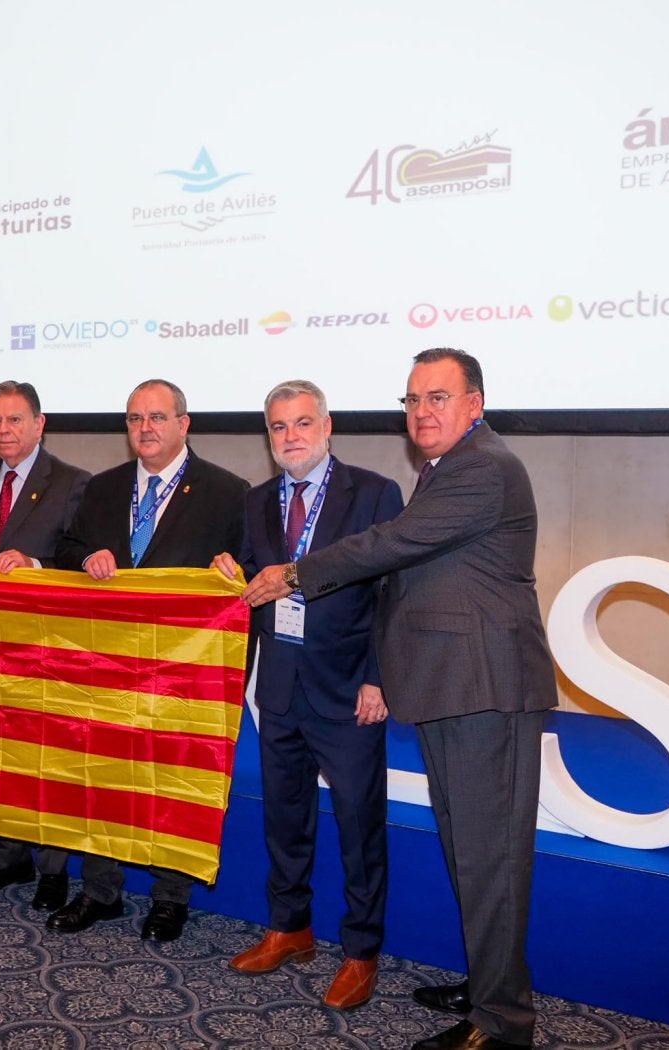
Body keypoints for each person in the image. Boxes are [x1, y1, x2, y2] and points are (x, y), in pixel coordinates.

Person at [243, 349, 556, 1050]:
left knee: (491, 858)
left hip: (485, 685)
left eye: (438, 398)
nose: (422, 412)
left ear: (475, 402)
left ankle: (503, 1023)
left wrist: (296, 572)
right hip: (453, 683)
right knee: (472, 851)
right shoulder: (449, 468)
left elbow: (395, 543)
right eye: (412, 400)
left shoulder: (484, 468)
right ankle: (490, 986)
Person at [213, 380, 403, 1011]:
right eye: (277, 427)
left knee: (358, 825)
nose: (290, 437)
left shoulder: (375, 493)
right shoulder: (258, 499)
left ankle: (360, 952)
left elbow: (391, 595)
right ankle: (289, 927)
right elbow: (248, 575)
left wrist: (380, 677)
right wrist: (226, 572)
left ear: (327, 427)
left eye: (301, 424)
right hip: (281, 688)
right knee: (284, 819)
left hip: (351, 690)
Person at [51, 378, 247, 942]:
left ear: (184, 424)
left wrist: (230, 570)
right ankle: (100, 891)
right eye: (136, 418)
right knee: (104, 774)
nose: (146, 428)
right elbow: (65, 548)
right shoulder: (105, 487)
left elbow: (249, 568)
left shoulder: (227, 491)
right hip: (107, 666)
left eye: (158, 417)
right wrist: (88, 555)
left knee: (172, 781)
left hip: (180, 672)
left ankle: (169, 898)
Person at [0, 380, 91, 913]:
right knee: (1, 754)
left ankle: (52, 871)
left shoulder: (74, 482)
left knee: (47, 759)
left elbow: (79, 561)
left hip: (46, 646)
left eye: (15, 419)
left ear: (40, 424)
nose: (3, 430)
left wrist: (35, 567)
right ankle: (7, 856)